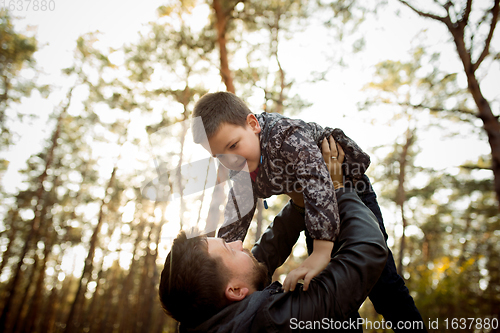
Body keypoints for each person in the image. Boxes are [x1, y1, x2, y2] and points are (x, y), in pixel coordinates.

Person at [191, 91, 427, 332]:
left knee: (383, 282)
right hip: (314, 210)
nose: (230, 159)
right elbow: (236, 215)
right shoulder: (241, 166)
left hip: (348, 189)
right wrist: (216, 276)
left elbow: (316, 181)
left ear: (252, 125)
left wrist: (322, 250)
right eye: (220, 156)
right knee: (326, 285)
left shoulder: (285, 136)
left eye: (233, 145)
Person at [159, 140, 388, 332]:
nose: (239, 243)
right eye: (229, 249)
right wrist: (337, 189)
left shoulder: (208, 318)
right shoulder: (275, 322)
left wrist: (299, 206)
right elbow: (367, 251)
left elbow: (260, 258)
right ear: (235, 291)